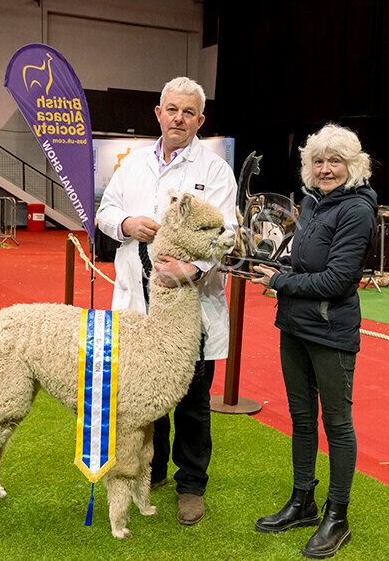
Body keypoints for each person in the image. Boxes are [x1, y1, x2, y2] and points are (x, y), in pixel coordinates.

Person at [96, 76, 237, 526]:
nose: (178, 118)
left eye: (188, 112)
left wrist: (190, 271)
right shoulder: (133, 164)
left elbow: (226, 235)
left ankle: (191, 484)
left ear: (200, 120)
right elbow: (104, 212)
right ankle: (149, 471)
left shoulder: (215, 172)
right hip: (136, 302)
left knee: (193, 398)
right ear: (158, 114)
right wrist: (127, 223)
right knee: (140, 391)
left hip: (189, 307)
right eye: (171, 109)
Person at [249, 123, 377, 559]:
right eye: (318, 160)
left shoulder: (357, 209)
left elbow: (339, 279)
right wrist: (271, 260)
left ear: (353, 165)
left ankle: (336, 516)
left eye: (334, 160)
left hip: (331, 331)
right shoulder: (310, 202)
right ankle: (302, 501)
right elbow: (303, 258)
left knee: (337, 425)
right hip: (294, 326)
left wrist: (281, 280)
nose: (325, 168)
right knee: (302, 419)